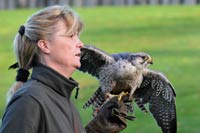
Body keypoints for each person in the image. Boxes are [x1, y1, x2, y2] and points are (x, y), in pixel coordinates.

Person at [0, 5, 130, 133]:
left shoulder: (61, 97)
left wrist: (98, 129)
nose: (80, 44)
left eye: (77, 35)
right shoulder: (29, 101)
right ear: (44, 46)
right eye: (71, 36)